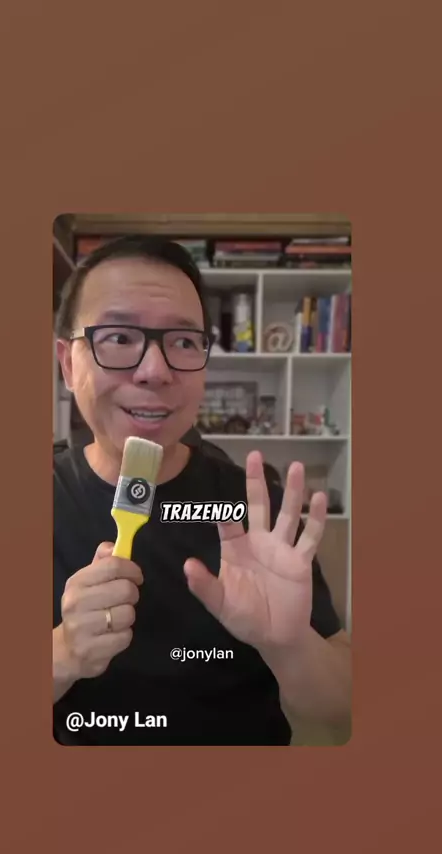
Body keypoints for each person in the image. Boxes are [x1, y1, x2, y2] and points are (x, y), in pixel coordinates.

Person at [53, 235, 351, 746]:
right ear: (67, 363)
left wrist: (290, 646)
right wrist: (62, 654)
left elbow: (342, 712)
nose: (155, 371)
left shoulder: (260, 509)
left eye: (184, 342)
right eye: (119, 337)